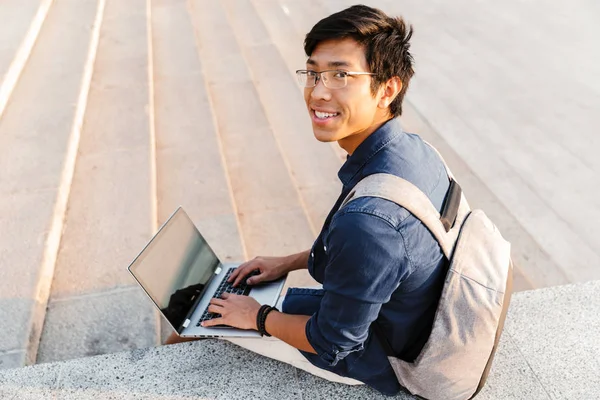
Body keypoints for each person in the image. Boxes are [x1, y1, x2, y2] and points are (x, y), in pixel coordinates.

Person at [167, 4, 450, 396]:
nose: (317, 92)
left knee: (189, 334)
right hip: (402, 314)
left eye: (340, 75)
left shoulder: (372, 221)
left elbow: (333, 342)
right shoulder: (413, 151)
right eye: (313, 73)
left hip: (381, 353)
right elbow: (373, 256)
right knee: (215, 308)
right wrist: (287, 262)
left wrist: (258, 316)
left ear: (388, 89)